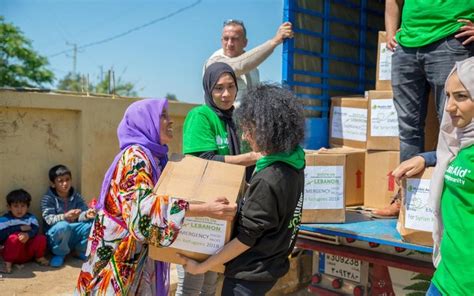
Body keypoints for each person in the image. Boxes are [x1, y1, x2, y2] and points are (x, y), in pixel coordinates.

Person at [74, 98, 237, 295]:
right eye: (162, 116)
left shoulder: (155, 157)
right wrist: (206, 209)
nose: (170, 121)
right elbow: (143, 210)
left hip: (134, 252)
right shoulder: (136, 157)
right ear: (145, 122)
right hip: (119, 253)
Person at [180, 84, 306, 295]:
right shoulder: (294, 162)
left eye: (249, 129)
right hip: (271, 265)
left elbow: (247, 238)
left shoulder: (268, 178)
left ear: (268, 128)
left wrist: (202, 266)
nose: (246, 137)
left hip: (248, 274)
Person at [374, 1, 474, 217]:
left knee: (453, 126)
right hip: (407, 45)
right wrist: (391, 34)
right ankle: (405, 200)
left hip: (452, 39)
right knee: (407, 128)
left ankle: (450, 202)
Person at [176, 62, 261, 296]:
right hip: (202, 210)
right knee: (191, 284)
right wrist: (251, 157)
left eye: (231, 87)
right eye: (218, 88)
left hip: (225, 209)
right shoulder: (200, 116)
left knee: (211, 280)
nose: (226, 94)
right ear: (208, 90)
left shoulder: (236, 118)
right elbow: (202, 160)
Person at [390, 58, 474, 295]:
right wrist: (425, 159)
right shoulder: (461, 143)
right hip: (446, 277)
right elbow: (447, 153)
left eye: (461, 96)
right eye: (448, 96)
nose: (448, 106)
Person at [204, 20, 293, 106]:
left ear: (245, 42)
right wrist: (275, 41)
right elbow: (238, 66)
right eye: (226, 39)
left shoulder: (253, 68)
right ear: (221, 40)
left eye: (235, 39)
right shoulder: (214, 62)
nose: (229, 44)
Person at [41, 164, 95, 268]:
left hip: (72, 233)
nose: (65, 183)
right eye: (60, 181)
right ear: (53, 184)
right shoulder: (48, 199)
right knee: (63, 226)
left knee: (91, 223)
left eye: (67, 179)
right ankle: (59, 254)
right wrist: (65, 216)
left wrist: (87, 215)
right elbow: (49, 219)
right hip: (55, 236)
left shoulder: (76, 196)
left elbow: (81, 215)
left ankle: (79, 251)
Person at [0, 189, 49, 273]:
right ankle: (7, 264)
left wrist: (28, 235)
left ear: (27, 206)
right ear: (9, 207)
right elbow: (1, 236)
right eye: (16, 206)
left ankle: (39, 257)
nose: (19, 210)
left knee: (41, 238)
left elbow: (35, 230)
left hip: (26, 253)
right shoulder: (5, 220)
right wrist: (19, 228)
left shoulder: (30, 218)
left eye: (23, 206)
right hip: (10, 253)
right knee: (14, 238)